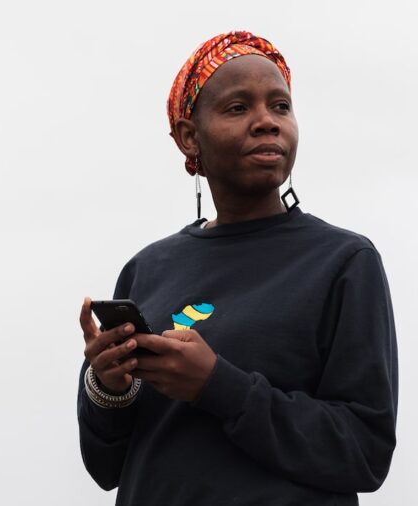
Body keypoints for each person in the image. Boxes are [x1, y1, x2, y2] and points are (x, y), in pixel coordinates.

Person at [76, 31, 398, 505]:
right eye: (238, 108)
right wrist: (107, 385)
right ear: (190, 138)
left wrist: (218, 386)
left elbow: (365, 451)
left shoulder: (343, 262)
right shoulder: (149, 269)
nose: (266, 122)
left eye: (280, 107)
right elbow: (106, 467)